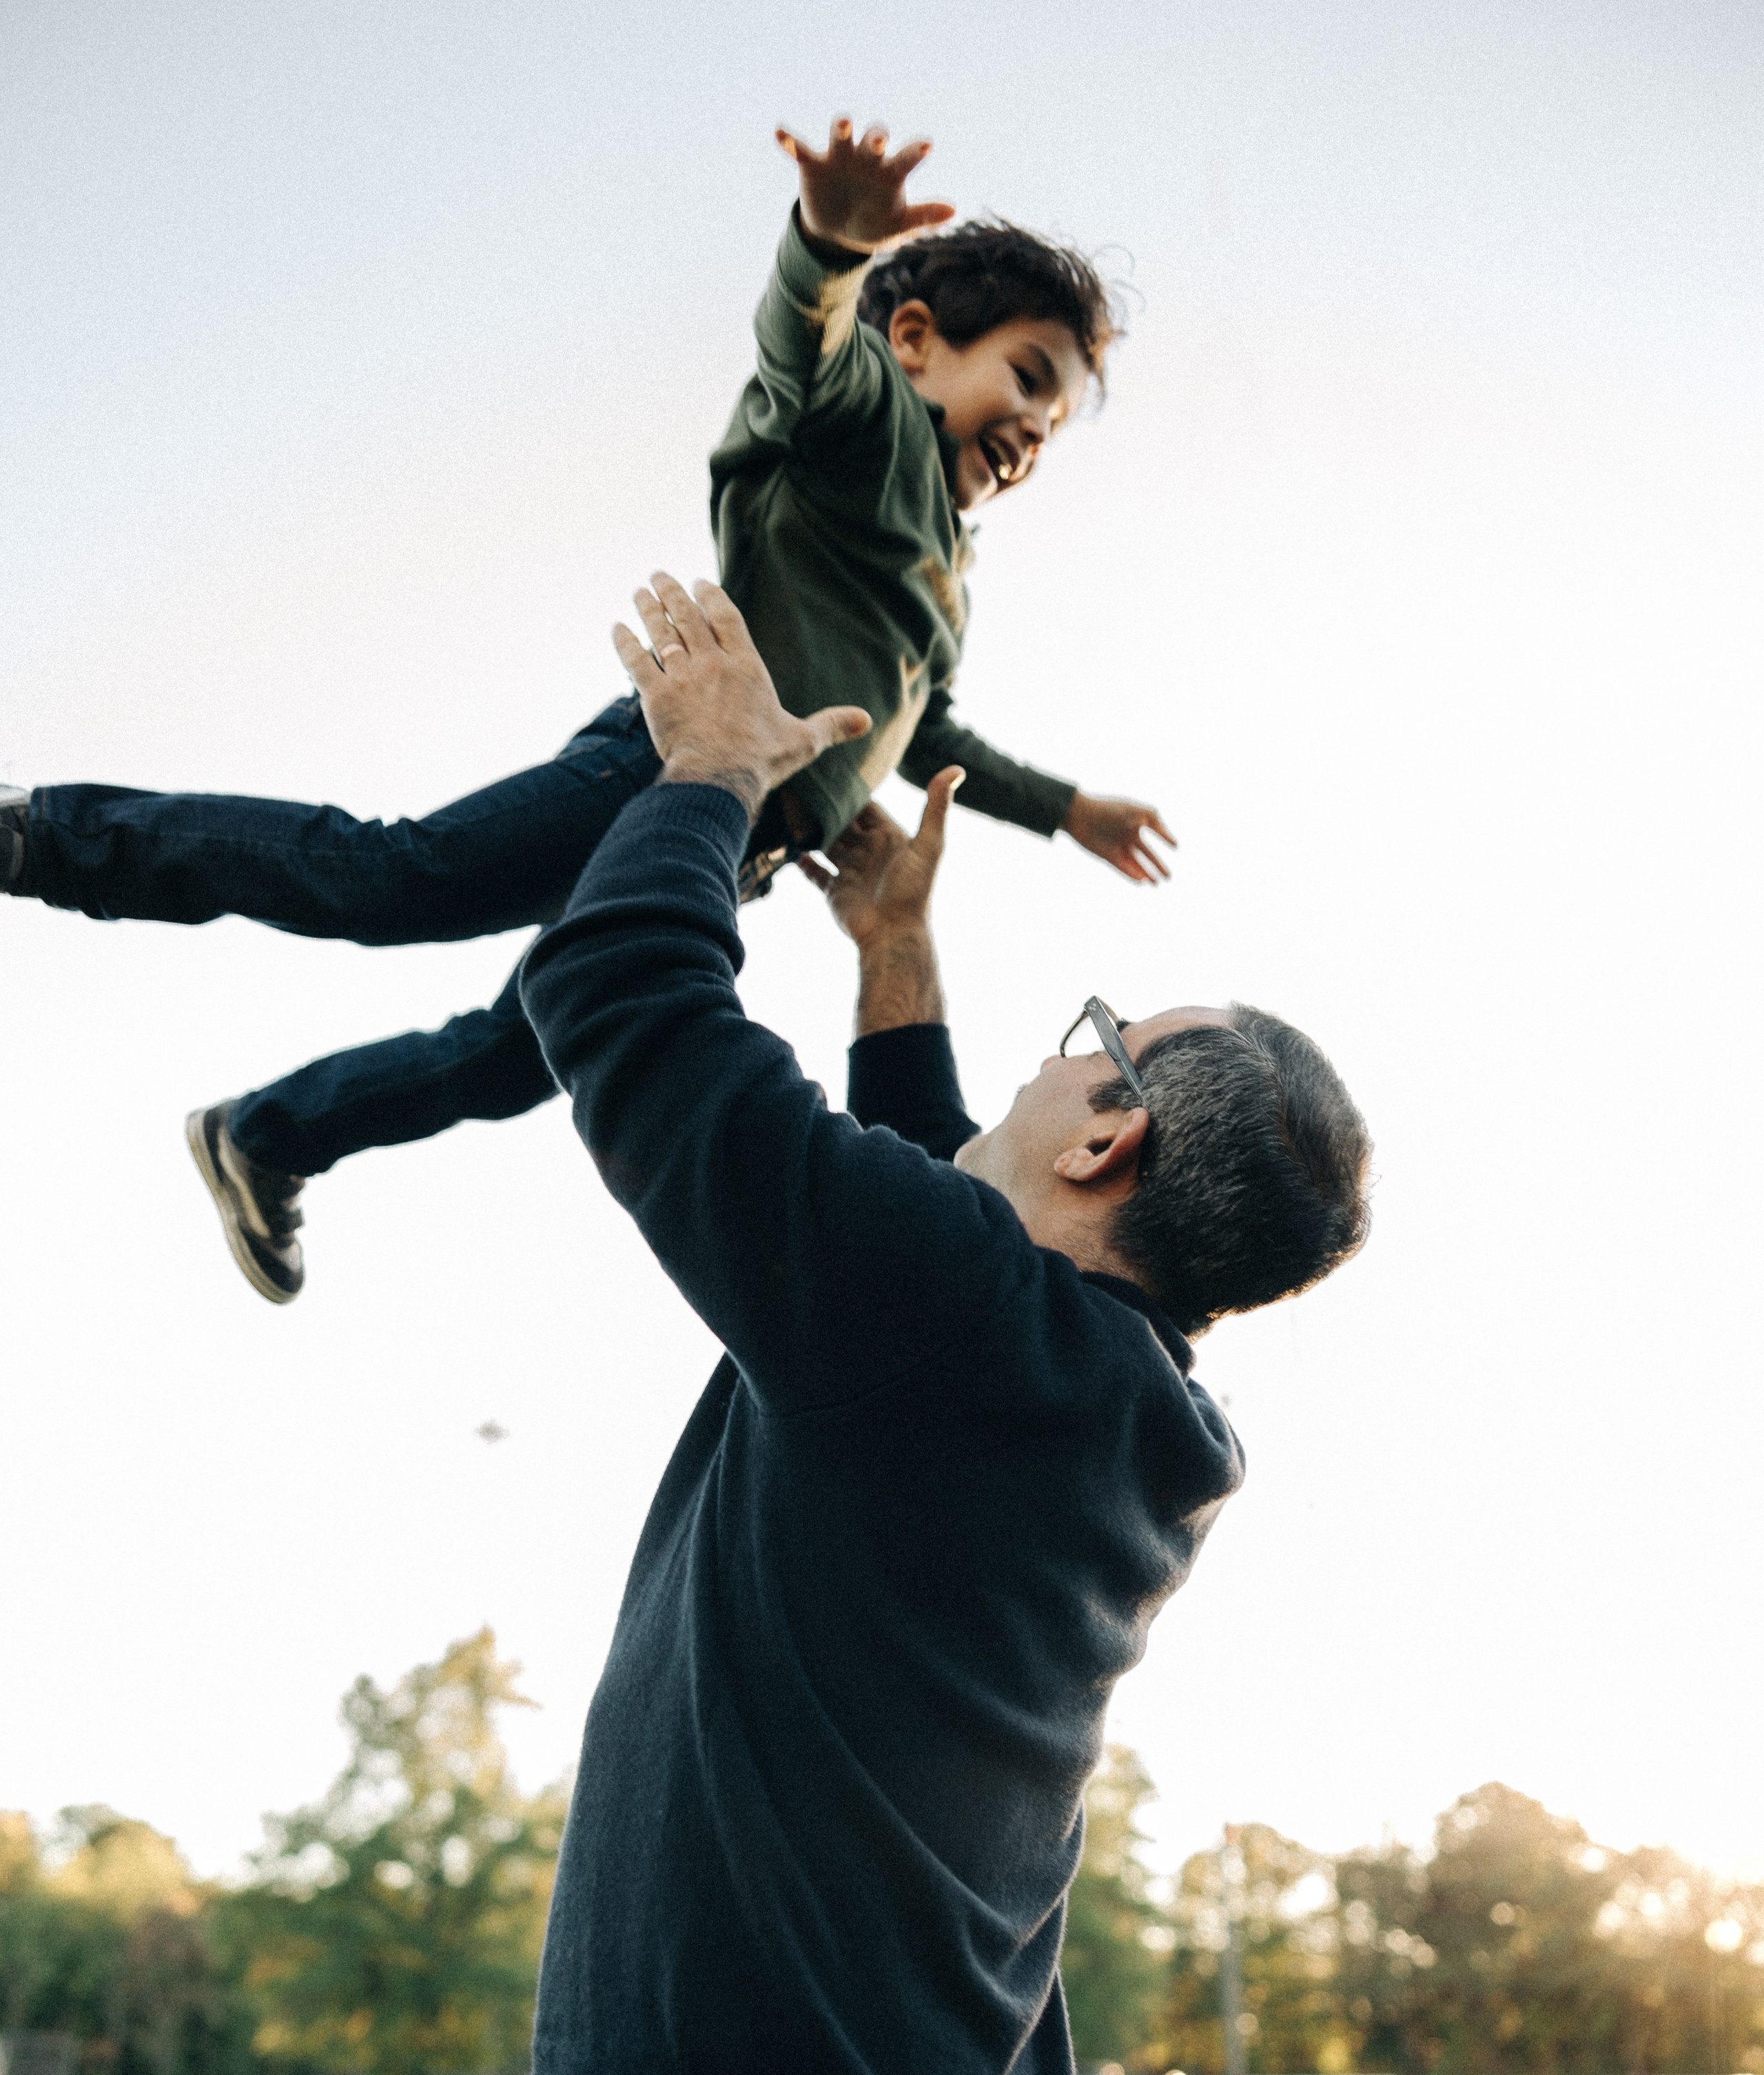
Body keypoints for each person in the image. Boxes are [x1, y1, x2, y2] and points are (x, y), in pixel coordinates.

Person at [480, 571, 1371, 2075]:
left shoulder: (959, 1337)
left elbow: (618, 1001)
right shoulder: (1105, 1400)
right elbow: (911, 1247)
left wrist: (706, 777)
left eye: (1097, 1043)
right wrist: (898, 958)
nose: (1067, 1059)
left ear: (1113, 1129)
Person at [0, 117, 1174, 1306]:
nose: (1035, 429)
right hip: (658, 775)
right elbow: (804, 355)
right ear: (917, 342)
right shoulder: (866, 436)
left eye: (1057, 424)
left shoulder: (944, 574)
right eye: (1030, 377)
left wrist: (1065, 808)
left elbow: (928, 726)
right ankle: (43, 835)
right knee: (396, 877)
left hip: (731, 850)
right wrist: (829, 248)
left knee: (519, 1053)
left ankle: (267, 1135)